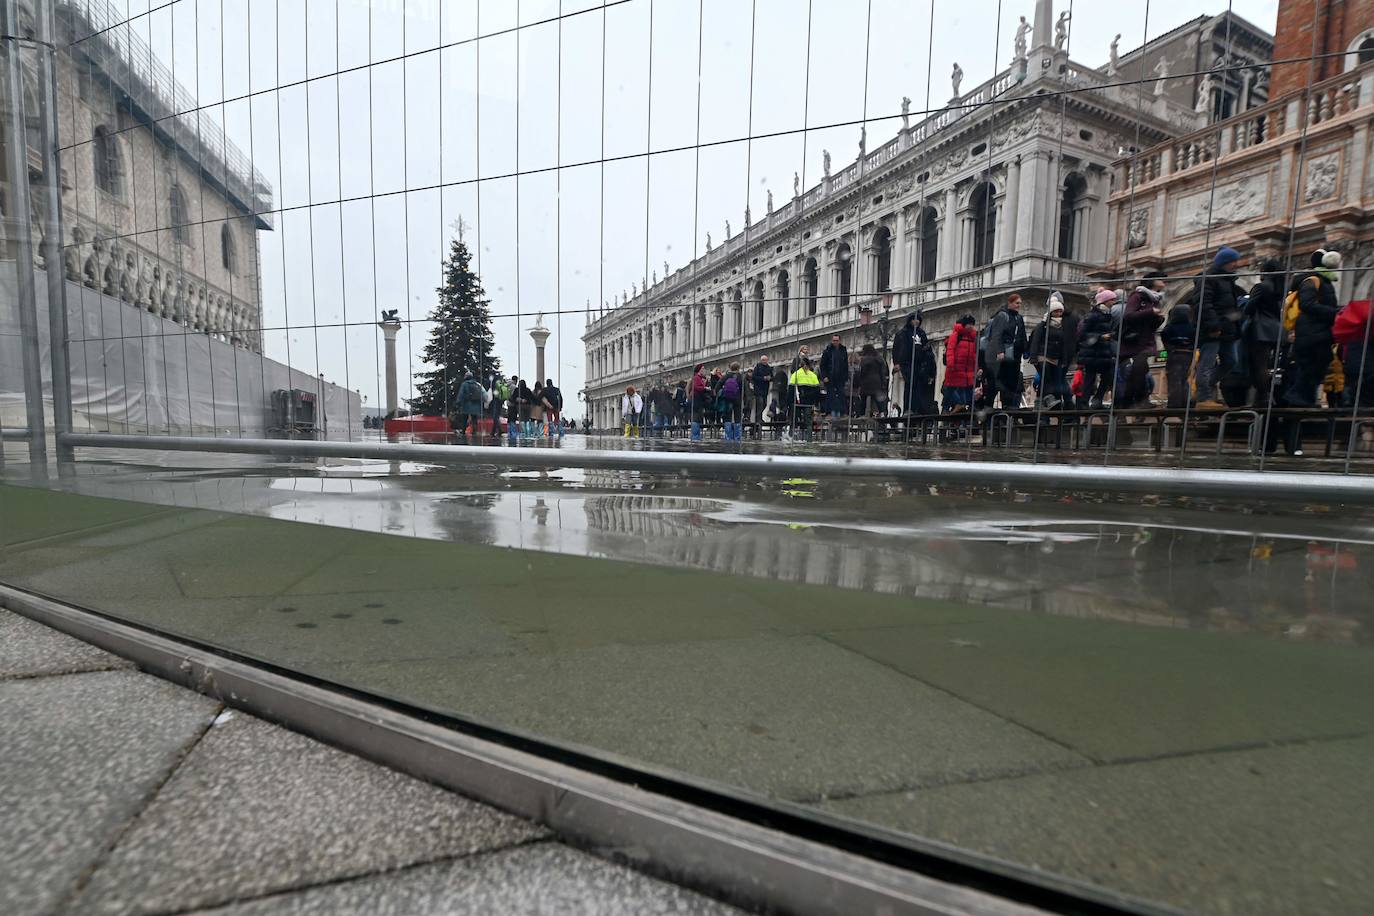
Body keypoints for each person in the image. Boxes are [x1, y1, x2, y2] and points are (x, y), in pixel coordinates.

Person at [1191, 246, 1248, 407]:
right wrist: (1212, 326)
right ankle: (1204, 397)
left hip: (1227, 330)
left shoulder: (1228, 280)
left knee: (1230, 361)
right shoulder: (1208, 278)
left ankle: (1205, 386)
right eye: (1233, 261)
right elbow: (1203, 303)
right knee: (1207, 362)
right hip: (1213, 330)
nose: (1236, 264)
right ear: (1224, 262)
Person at [1286, 249, 1343, 407]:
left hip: (1318, 331)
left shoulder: (1323, 281)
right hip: (1311, 332)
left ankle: (1305, 399)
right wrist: (1336, 312)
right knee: (1310, 365)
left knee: (1316, 364)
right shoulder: (1312, 280)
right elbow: (1307, 304)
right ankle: (1295, 396)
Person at [1118, 274, 1167, 408]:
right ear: (1152, 281)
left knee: (1140, 371)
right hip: (1133, 342)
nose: (1164, 281)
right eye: (1161, 278)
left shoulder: (1155, 300)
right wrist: (1151, 312)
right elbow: (1129, 316)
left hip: (1146, 343)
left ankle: (1130, 403)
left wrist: (1159, 318)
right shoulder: (1138, 296)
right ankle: (1138, 401)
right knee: (1138, 370)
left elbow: (1151, 324)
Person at [1243, 259, 1285, 408]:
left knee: (1258, 365)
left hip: (1260, 330)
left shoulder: (1261, 287)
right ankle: (1266, 396)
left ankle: (1264, 397)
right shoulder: (1280, 289)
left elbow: (1249, 308)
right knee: (1265, 364)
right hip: (1274, 330)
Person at [982, 293, 1028, 409]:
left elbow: (1022, 336)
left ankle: (1007, 406)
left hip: (1015, 356)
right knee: (998, 381)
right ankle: (989, 407)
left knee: (1011, 382)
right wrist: (1000, 351)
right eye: (1017, 303)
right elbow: (997, 335)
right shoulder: (1002, 316)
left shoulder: (1019, 318)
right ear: (1010, 303)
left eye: (1020, 303)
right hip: (1002, 356)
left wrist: (1026, 350)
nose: (1019, 305)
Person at [1075, 289, 1119, 409]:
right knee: (1090, 379)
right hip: (1092, 353)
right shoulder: (1092, 316)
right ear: (1105, 301)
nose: (1114, 302)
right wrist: (1100, 337)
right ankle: (1084, 404)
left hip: (1103, 353)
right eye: (1112, 299)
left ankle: (1097, 400)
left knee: (1108, 375)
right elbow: (1082, 335)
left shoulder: (1107, 315)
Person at [1028, 299, 1070, 409]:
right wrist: (1033, 356)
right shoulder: (1042, 325)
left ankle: (1039, 402)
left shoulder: (1063, 326)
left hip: (1055, 357)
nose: (1058, 314)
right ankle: (1049, 399)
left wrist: (1064, 359)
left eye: (1060, 311)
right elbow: (1035, 340)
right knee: (1046, 377)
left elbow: (1064, 344)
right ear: (1051, 312)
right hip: (1043, 355)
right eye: (1056, 311)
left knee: (1050, 379)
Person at [892, 312, 933, 415]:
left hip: (919, 364)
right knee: (910, 385)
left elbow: (926, 347)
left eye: (918, 320)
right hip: (907, 363)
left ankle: (917, 408)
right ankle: (908, 408)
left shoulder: (921, 333)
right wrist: (897, 362)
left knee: (918, 387)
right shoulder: (903, 333)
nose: (917, 322)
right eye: (915, 319)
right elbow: (897, 349)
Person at [1159, 303, 1196, 409]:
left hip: (1174, 354)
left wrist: (1169, 349)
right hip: (1188, 355)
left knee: (1174, 379)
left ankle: (1174, 404)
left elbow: (1164, 336)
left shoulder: (1170, 327)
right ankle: (1186, 402)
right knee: (1185, 378)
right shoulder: (1192, 327)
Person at [942, 314, 979, 412]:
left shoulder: (972, 338)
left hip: (967, 369)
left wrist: (976, 367)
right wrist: (950, 363)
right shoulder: (956, 335)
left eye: (972, 324)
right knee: (950, 388)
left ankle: (966, 406)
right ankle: (946, 408)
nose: (970, 326)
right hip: (955, 367)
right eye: (968, 324)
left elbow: (974, 354)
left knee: (967, 388)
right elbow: (950, 349)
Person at [788, 356, 821, 440]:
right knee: (806, 421)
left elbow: (790, 390)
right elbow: (817, 390)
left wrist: (789, 402)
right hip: (802, 402)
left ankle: (791, 437)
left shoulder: (798, 374)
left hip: (802, 402)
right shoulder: (800, 374)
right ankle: (806, 439)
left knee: (800, 421)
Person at [818, 334, 850, 418]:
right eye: (834, 340)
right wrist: (824, 376)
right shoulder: (827, 351)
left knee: (841, 395)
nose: (835, 342)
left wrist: (846, 377)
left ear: (839, 341)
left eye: (837, 340)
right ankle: (829, 412)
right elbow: (823, 365)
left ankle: (842, 412)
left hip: (840, 377)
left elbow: (845, 365)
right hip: (830, 377)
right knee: (830, 395)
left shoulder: (843, 351)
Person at [856, 343, 888, 417]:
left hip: (865, 383)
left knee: (863, 401)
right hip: (877, 382)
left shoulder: (863, 359)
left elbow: (861, 372)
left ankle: (861, 415)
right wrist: (883, 383)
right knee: (879, 400)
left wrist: (859, 382)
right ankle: (882, 413)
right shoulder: (879, 359)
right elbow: (883, 372)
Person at [718, 362, 746, 440]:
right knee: (738, 418)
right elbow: (745, 389)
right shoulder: (741, 377)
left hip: (727, 399)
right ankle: (737, 437)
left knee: (727, 417)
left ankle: (728, 436)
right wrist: (744, 399)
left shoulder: (726, 376)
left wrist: (721, 394)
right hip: (737, 399)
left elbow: (718, 386)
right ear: (738, 368)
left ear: (730, 368)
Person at [454, 371, 486, 440]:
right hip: (476, 405)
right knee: (474, 419)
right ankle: (474, 431)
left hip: (467, 404)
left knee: (464, 418)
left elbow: (461, 394)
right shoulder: (477, 384)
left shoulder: (464, 384)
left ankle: (463, 431)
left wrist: (457, 402)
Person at [750, 355, 774, 431]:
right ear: (761, 360)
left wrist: (770, 378)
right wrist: (763, 378)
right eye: (763, 360)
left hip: (765, 389)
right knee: (760, 403)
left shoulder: (769, 368)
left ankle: (759, 418)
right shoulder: (757, 367)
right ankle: (758, 419)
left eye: (766, 360)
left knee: (764, 404)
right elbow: (754, 377)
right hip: (758, 389)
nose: (764, 361)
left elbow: (772, 377)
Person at [689, 364, 709, 440]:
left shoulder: (700, 378)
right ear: (699, 370)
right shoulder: (696, 377)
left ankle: (696, 435)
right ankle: (695, 436)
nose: (704, 370)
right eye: (703, 368)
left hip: (699, 399)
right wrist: (705, 388)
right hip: (696, 399)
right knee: (696, 417)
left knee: (698, 417)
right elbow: (696, 387)